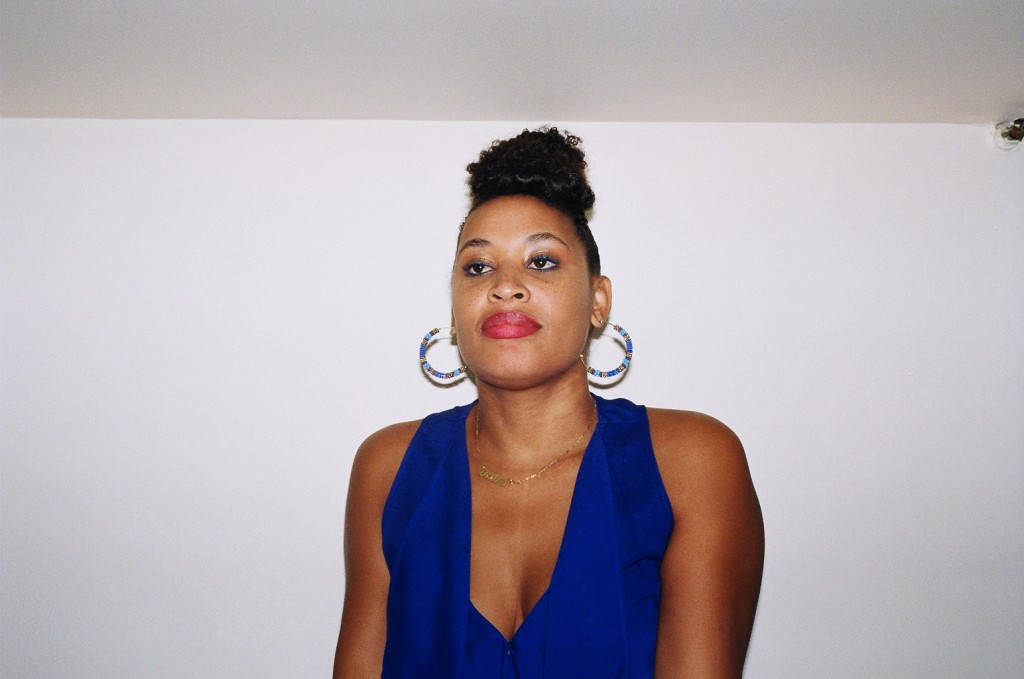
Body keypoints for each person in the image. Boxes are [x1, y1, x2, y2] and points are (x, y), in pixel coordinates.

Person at [333, 128, 764, 678]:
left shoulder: (692, 461)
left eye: (541, 262)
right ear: (454, 311)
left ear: (598, 301)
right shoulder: (388, 468)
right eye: (478, 267)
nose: (505, 286)